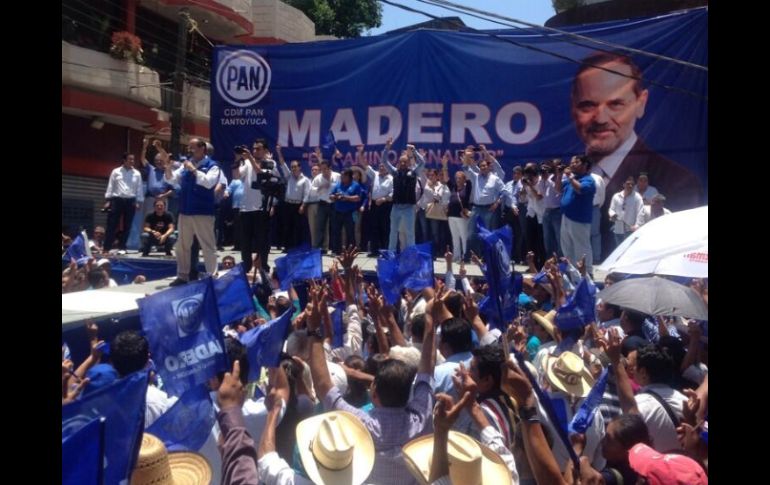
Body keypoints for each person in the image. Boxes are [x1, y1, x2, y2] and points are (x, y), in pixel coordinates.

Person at [571, 51, 703, 258]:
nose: (601, 118)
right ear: (573, 108)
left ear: (640, 104)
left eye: (615, 104)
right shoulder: (574, 169)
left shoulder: (679, 182)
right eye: (588, 105)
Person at [163, 138, 220, 286]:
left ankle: (212, 277)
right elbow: (172, 180)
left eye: (193, 147)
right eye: (189, 148)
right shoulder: (186, 165)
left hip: (203, 212)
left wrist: (194, 170)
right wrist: (168, 167)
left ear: (203, 149)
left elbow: (208, 183)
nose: (190, 150)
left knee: (208, 246)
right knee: (182, 245)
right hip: (185, 211)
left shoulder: (212, 166)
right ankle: (182, 275)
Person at [233, 139, 281, 273]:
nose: (255, 151)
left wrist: (250, 159)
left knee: (262, 240)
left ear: (265, 150)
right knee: (245, 242)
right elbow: (236, 176)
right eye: (253, 148)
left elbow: (260, 173)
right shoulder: (247, 162)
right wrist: (237, 160)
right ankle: (246, 266)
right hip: (245, 207)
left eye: (258, 149)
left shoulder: (270, 163)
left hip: (261, 207)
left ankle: (263, 266)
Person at [382, 138, 426, 252]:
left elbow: (422, 163)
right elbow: (384, 160)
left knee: (410, 233)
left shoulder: (413, 172)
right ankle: (391, 254)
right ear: (398, 163)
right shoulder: (394, 172)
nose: (402, 163)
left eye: (405, 162)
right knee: (393, 232)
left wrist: (414, 151)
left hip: (409, 208)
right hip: (396, 207)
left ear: (408, 163)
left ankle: (411, 255)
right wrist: (387, 148)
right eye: (401, 161)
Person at [555, 155, 596, 275]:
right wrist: (559, 174)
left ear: (585, 165)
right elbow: (558, 189)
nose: (572, 164)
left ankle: (587, 272)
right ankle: (572, 272)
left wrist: (570, 177)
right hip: (566, 217)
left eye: (576, 162)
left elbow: (581, 189)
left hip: (579, 218)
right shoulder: (570, 180)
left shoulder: (588, 180)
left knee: (581, 246)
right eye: (571, 162)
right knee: (567, 247)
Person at [103, 152, 144, 251]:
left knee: (127, 225)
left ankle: (122, 247)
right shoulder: (116, 171)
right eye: (130, 159)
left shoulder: (137, 173)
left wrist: (138, 201)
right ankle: (107, 247)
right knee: (112, 224)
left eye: (133, 159)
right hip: (117, 200)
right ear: (124, 160)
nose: (132, 161)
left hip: (131, 201)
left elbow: (139, 188)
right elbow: (111, 186)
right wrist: (108, 200)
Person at [275, 145, 311, 251]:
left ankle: (297, 246)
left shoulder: (305, 180)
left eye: (295, 166)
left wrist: (303, 206)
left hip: (298, 205)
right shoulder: (288, 176)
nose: (293, 168)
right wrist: (279, 152)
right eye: (292, 167)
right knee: (287, 226)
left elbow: (307, 194)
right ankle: (287, 247)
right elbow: (282, 164)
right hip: (288, 205)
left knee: (298, 227)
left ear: (300, 167)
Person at [360, 145, 393, 256]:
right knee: (374, 228)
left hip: (386, 205)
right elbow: (364, 165)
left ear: (388, 168)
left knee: (385, 228)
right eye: (380, 166)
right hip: (374, 205)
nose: (381, 168)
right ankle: (374, 250)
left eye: (383, 166)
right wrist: (360, 153)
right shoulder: (375, 175)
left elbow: (393, 193)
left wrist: (384, 199)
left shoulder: (392, 178)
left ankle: (385, 251)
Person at [329, 169, 362, 255]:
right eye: (341, 175)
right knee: (336, 231)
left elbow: (358, 198)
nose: (341, 177)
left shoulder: (355, 185)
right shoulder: (338, 185)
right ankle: (336, 250)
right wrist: (335, 196)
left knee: (350, 232)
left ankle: (351, 251)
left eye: (343, 176)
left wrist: (346, 197)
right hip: (338, 211)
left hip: (350, 213)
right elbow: (331, 196)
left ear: (348, 176)